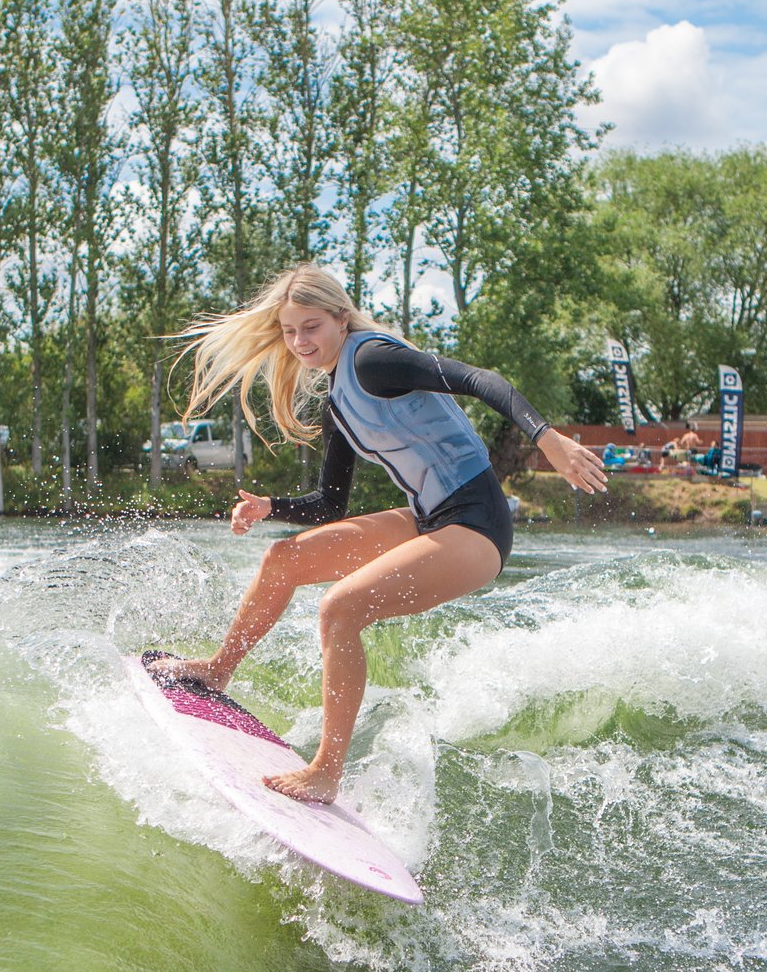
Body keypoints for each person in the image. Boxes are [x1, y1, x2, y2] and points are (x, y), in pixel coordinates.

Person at [145, 264, 608, 804]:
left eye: (312, 327)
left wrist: (547, 438)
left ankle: (325, 772)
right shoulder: (338, 398)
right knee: (283, 559)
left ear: (341, 319)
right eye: (291, 331)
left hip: (478, 524)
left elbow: (483, 380)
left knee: (339, 609)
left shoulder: (373, 359)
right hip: (427, 515)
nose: (300, 342)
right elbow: (330, 504)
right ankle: (220, 670)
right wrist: (272, 506)